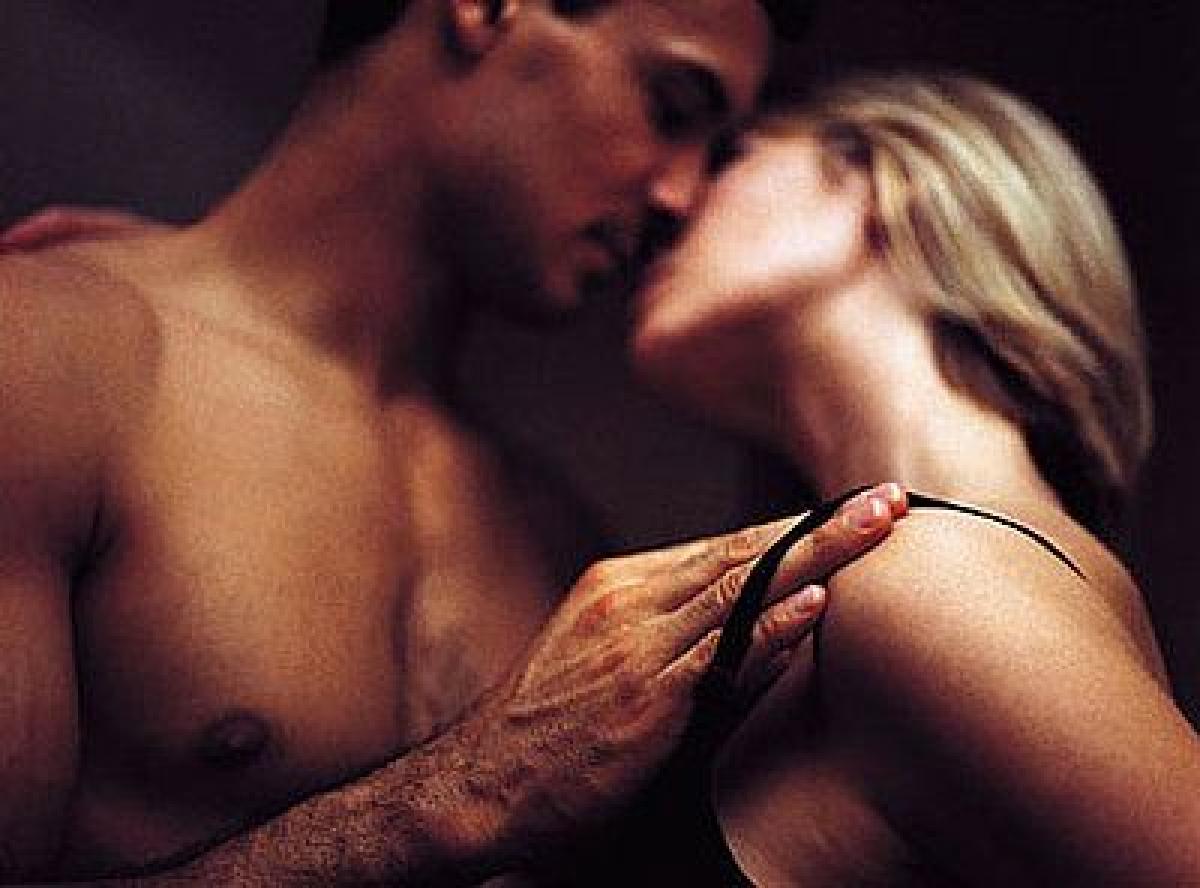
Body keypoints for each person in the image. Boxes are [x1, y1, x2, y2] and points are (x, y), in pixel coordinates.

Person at [0, 1, 912, 884]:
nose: (682, 193)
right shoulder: (51, 356)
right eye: (671, 106)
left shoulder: (555, 536)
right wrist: (465, 793)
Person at [625, 71, 1200, 884]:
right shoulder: (914, 576)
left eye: (729, 157)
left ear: (895, 182)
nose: (670, 197)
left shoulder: (941, 577)